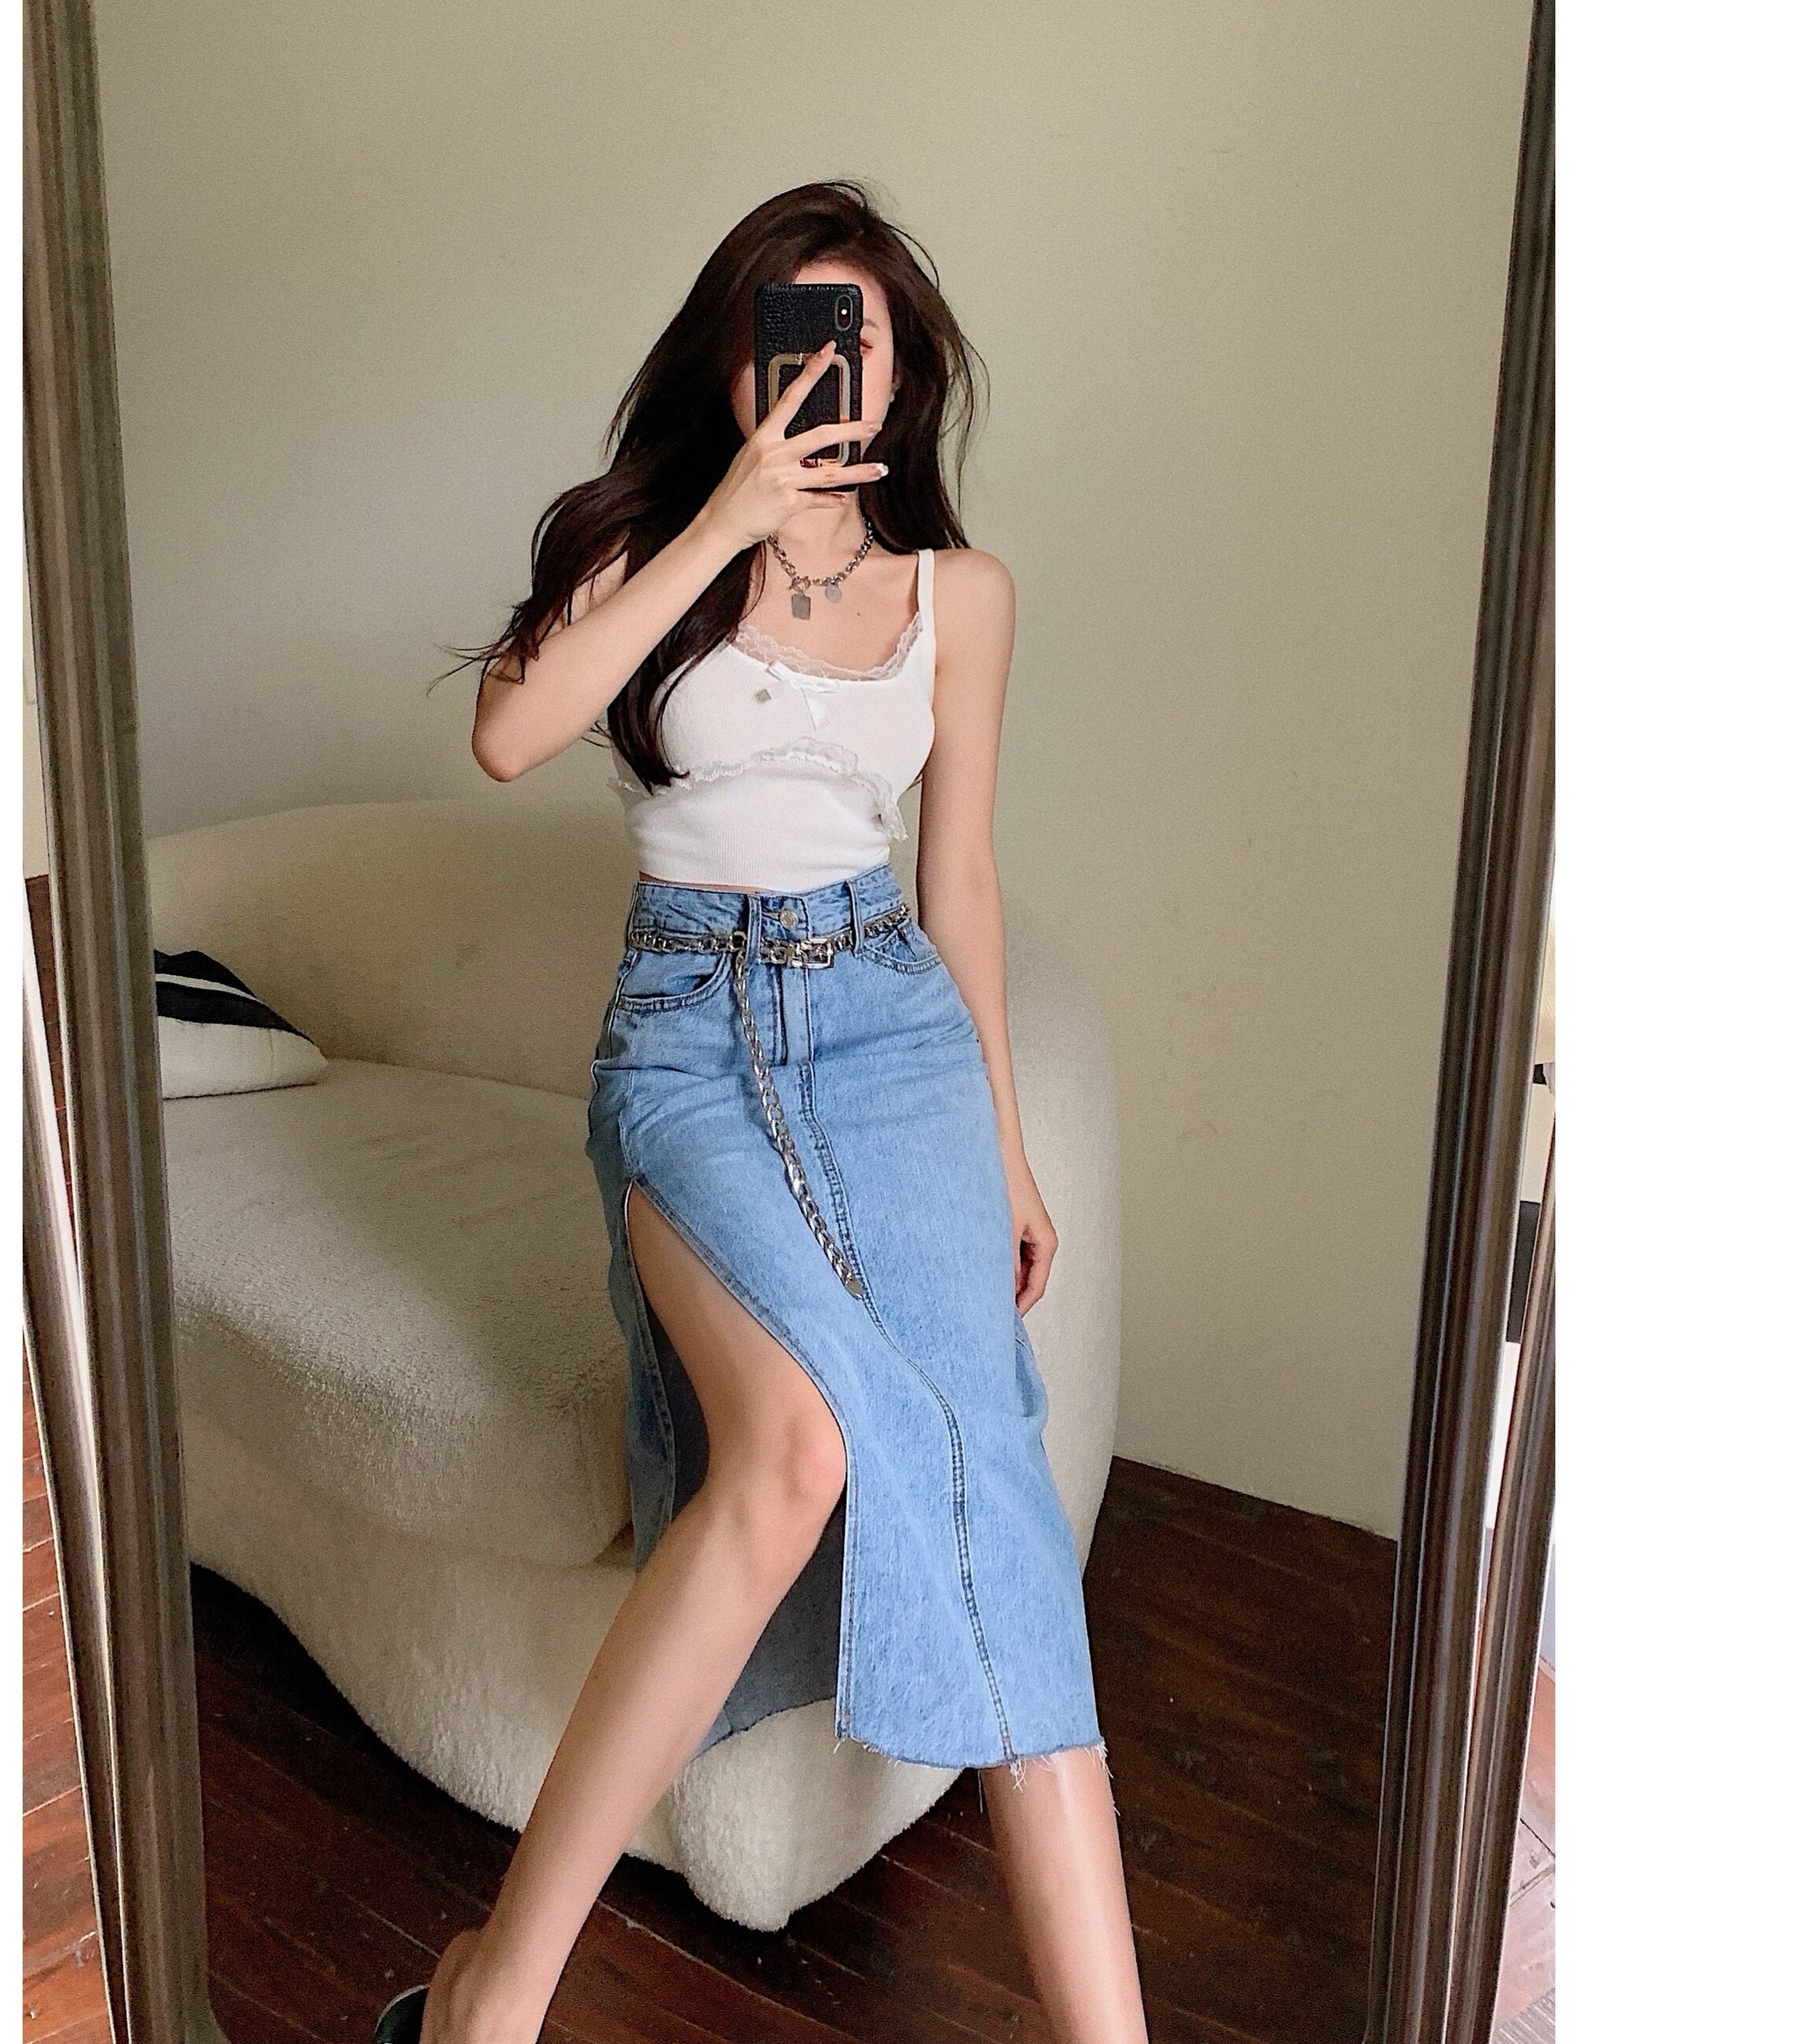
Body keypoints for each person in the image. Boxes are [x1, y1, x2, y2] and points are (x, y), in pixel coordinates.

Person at [394, 180, 1150, 2044]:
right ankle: (494, 1998)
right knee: (793, 1453)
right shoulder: (638, 543)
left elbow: (958, 883)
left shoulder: (962, 597)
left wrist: (1003, 1144)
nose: (824, 372)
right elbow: (508, 734)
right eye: (787, 334)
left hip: (892, 1031)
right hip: (687, 1035)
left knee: (992, 1487)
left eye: (858, 341)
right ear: (731, 361)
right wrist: (725, 520)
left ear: (906, 377)